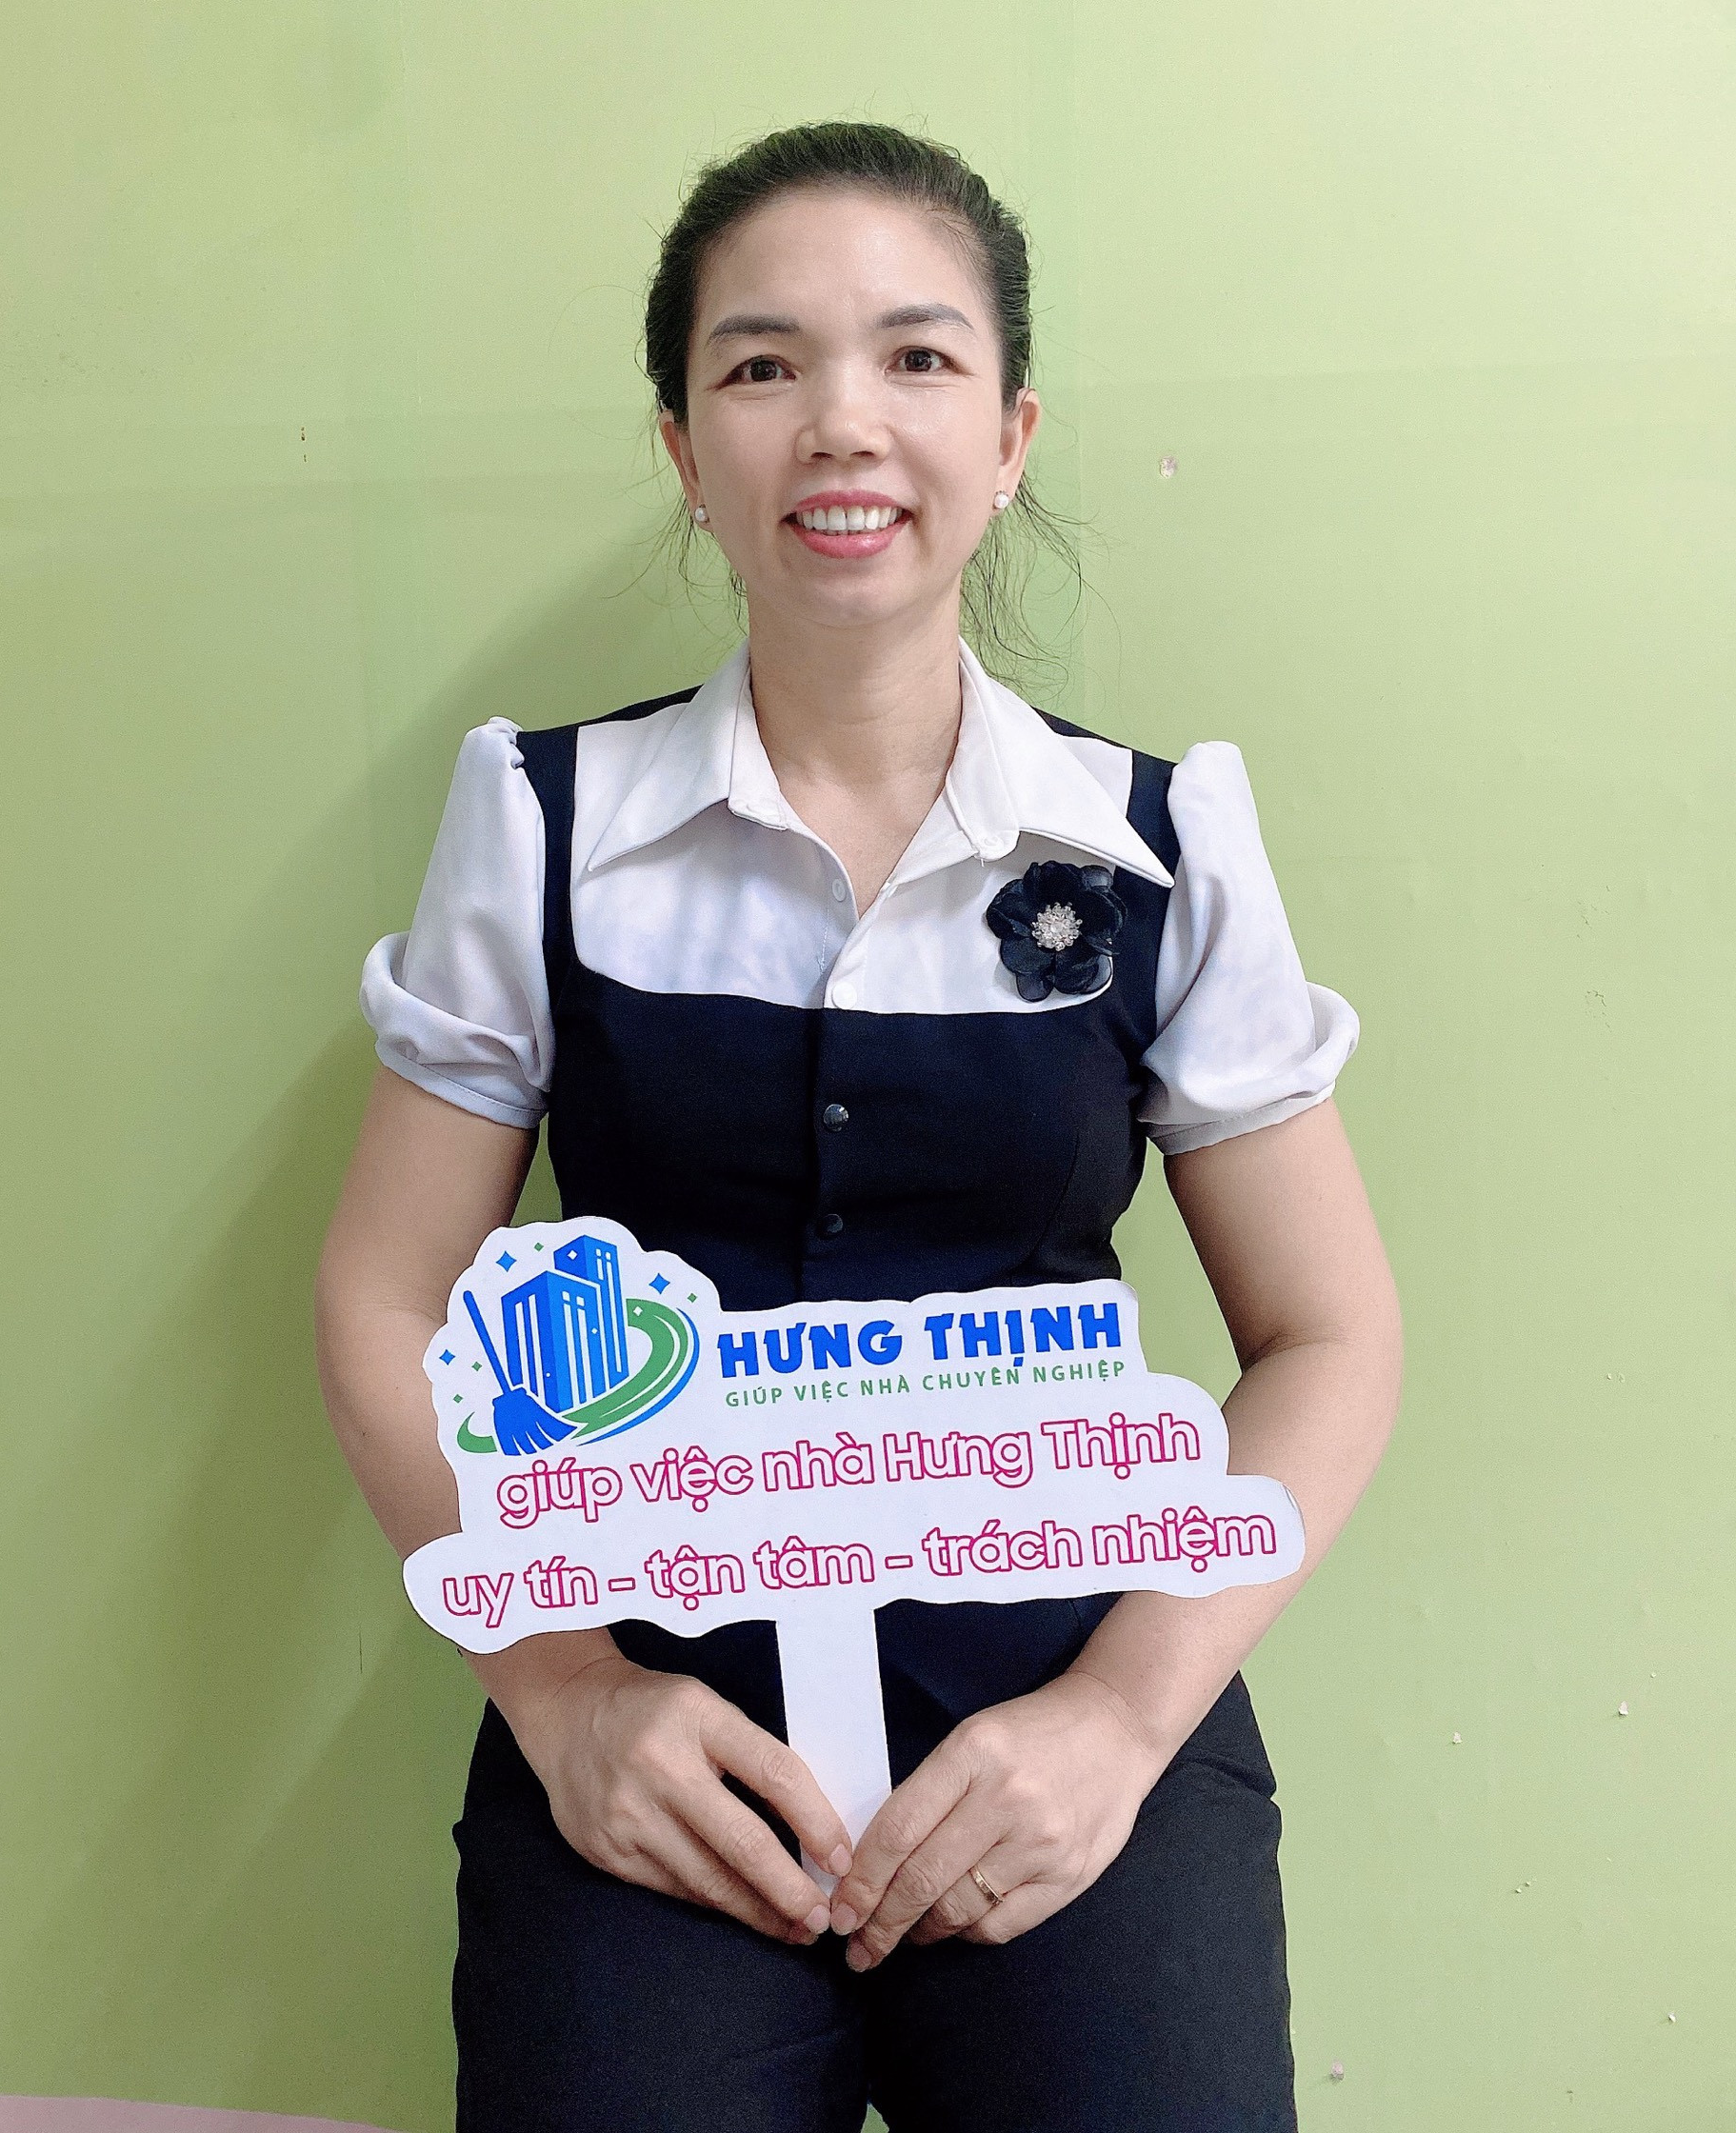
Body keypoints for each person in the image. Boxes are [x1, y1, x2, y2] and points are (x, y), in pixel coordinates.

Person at [314, 121, 1403, 2133]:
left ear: (1008, 433)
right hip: (660, 1726)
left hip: (1068, 1711)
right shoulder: (539, 822)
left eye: (916, 358)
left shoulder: (1159, 842)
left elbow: (1329, 1335)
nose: (841, 421)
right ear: (682, 446)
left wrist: (1116, 1718)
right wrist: (562, 1693)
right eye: (761, 364)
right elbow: (387, 1299)